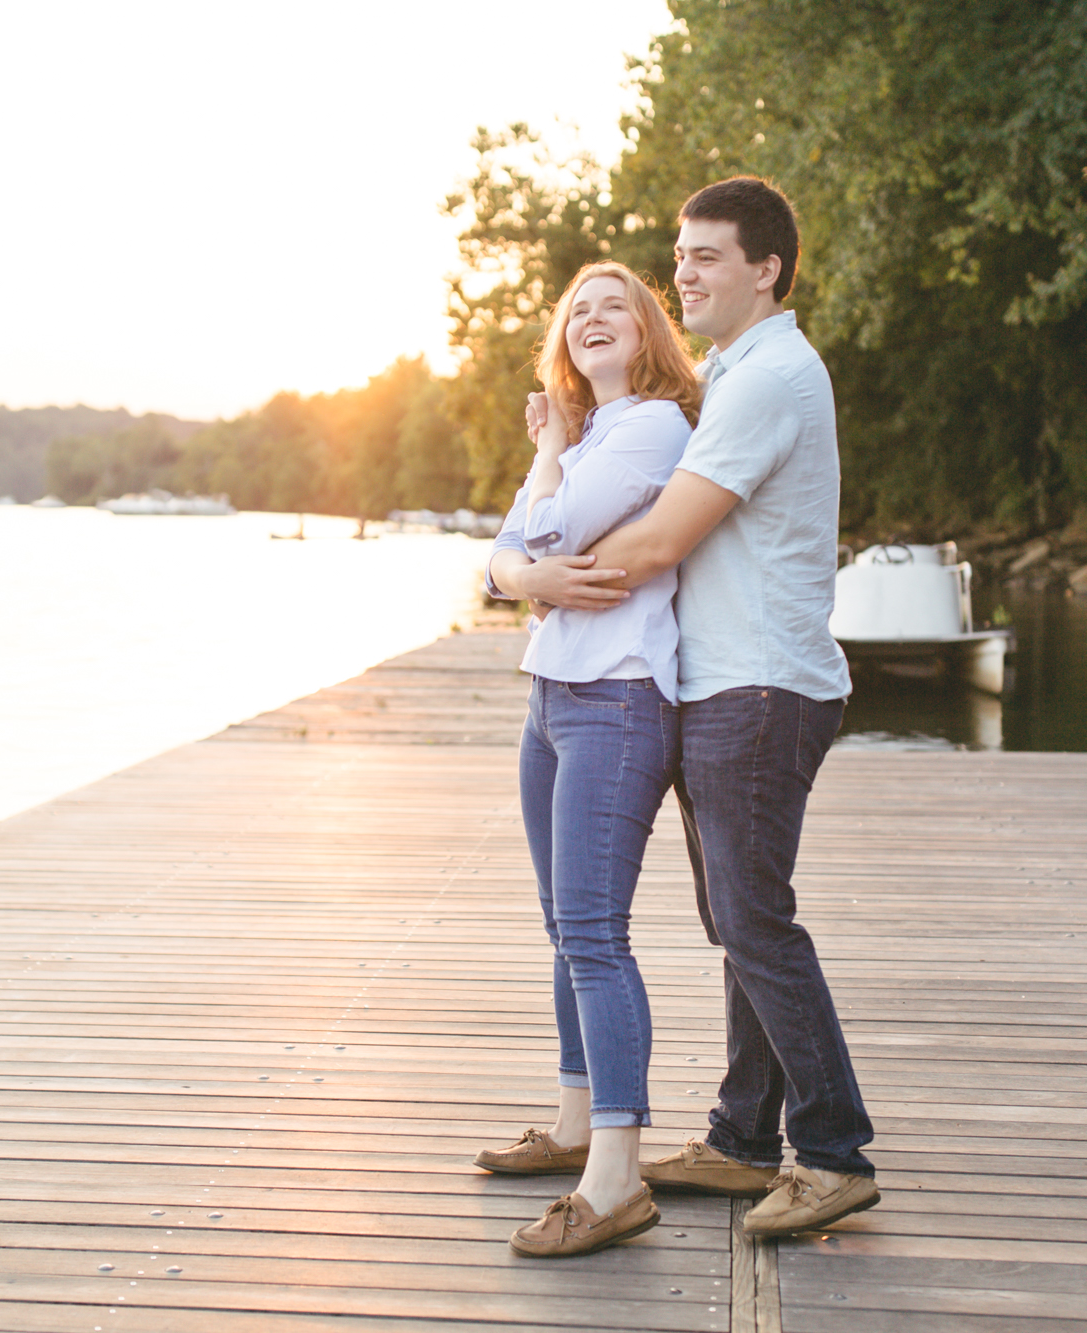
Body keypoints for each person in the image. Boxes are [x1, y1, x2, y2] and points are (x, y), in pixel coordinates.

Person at [510, 177, 879, 1238]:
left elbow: (663, 537)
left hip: (758, 684)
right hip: (723, 680)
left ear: (765, 270)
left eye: (707, 255)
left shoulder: (766, 379)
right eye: (679, 254)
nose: (683, 272)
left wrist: (537, 576)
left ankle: (832, 1150)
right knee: (736, 915)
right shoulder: (724, 373)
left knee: (751, 916)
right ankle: (738, 1137)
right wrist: (534, 566)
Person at [476, 261, 702, 1258]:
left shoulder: (651, 426)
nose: (593, 320)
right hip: (550, 692)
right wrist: (521, 562)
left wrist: (522, 550)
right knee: (560, 927)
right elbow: (501, 562)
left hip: (614, 698)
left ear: (649, 332)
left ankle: (613, 1178)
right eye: (578, 312)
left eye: (615, 306)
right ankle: (573, 1123)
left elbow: (542, 533)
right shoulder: (588, 437)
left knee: (593, 935)